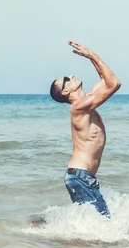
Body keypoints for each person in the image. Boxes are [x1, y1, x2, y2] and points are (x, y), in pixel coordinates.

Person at [50, 41, 121, 218]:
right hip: (80, 177)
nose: (71, 75)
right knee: (104, 223)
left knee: (95, 224)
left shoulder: (88, 99)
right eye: (66, 80)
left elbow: (107, 80)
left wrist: (91, 57)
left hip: (81, 176)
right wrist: (91, 55)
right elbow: (114, 84)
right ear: (66, 93)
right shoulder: (78, 108)